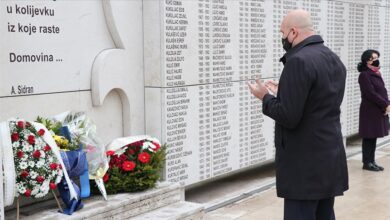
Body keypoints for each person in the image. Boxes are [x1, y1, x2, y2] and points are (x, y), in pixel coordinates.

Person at [248, 9, 348, 220]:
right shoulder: (332, 58)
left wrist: (265, 97)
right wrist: (285, 89)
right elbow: (317, 102)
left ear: (293, 32)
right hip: (329, 158)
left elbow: (289, 116)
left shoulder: (298, 61)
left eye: (282, 32)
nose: (282, 38)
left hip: (305, 167)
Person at [358, 49, 390, 172]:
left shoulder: (376, 73)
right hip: (370, 111)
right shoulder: (364, 75)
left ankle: (372, 161)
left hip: (378, 110)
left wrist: (387, 104)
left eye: (377, 57)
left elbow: (382, 91)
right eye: (374, 58)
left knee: (374, 136)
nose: (377, 60)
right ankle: (366, 162)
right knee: (368, 136)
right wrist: (385, 104)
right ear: (368, 61)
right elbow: (371, 94)